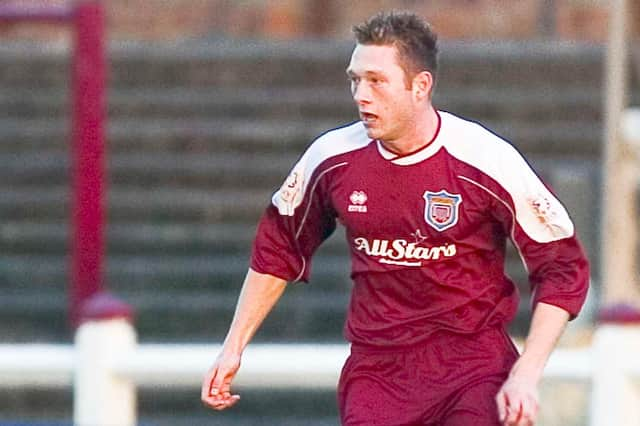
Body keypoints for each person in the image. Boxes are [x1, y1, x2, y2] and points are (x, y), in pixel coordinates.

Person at [201, 10, 589, 426]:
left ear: (420, 85)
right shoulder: (332, 158)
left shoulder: (485, 159)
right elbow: (279, 247)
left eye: (376, 81)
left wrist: (526, 372)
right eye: (354, 80)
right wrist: (233, 346)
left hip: (473, 366)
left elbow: (562, 267)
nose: (361, 95)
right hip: (378, 371)